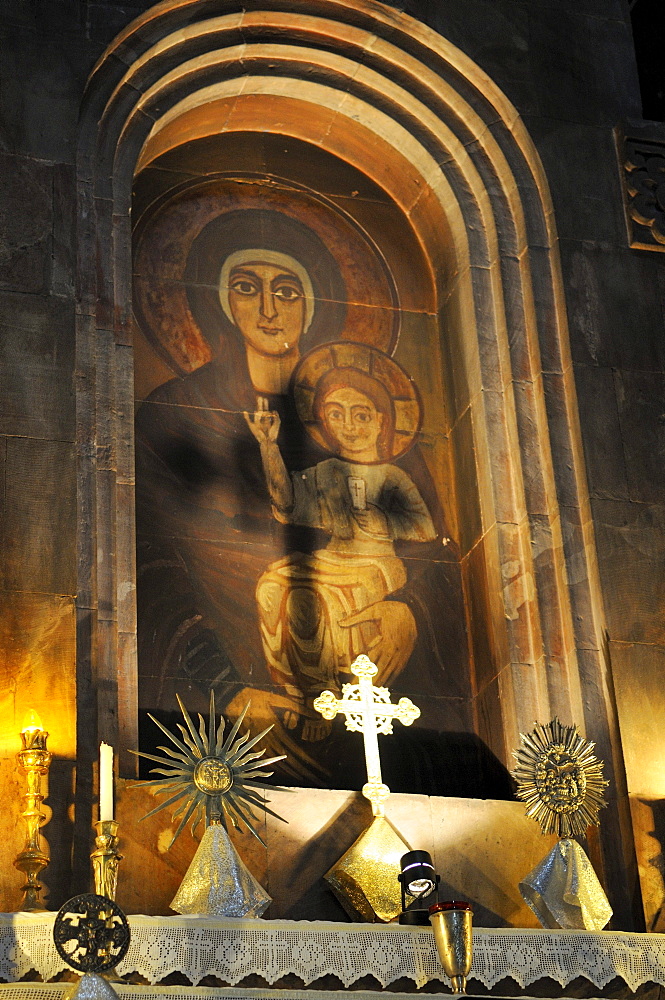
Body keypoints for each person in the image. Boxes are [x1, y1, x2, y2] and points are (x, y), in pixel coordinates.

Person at [245, 360, 436, 740]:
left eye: (361, 414)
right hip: (333, 557)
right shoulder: (326, 472)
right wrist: (268, 447)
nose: (349, 425)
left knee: (324, 602)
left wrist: (381, 521)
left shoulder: (395, 478)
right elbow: (285, 504)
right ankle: (304, 691)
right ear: (324, 424)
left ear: (381, 422)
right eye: (337, 414)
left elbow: (424, 532)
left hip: (376, 562)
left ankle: (326, 694)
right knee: (271, 586)